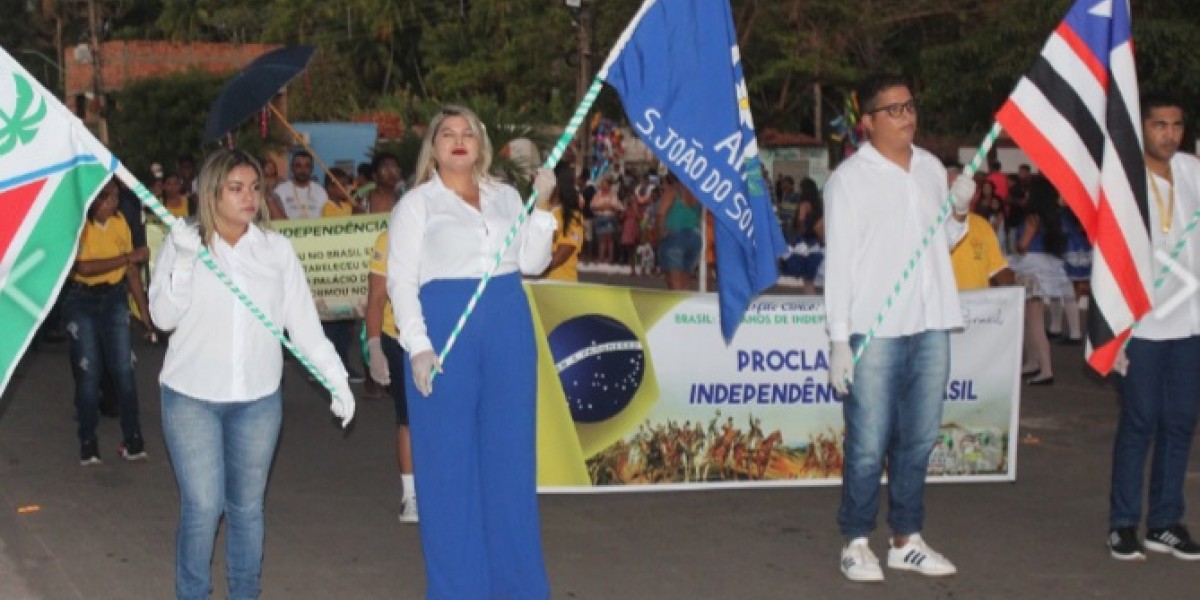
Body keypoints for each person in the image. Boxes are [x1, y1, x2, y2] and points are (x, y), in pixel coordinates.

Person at [149, 149, 355, 600]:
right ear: (210, 193)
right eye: (236, 188)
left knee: (246, 509)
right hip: (191, 397)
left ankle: (246, 593)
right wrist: (183, 264)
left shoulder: (275, 250)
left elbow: (302, 325)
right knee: (204, 506)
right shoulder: (183, 242)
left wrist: (336, 378)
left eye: (255, 188)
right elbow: (162, 318)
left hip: (258, 400)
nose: (249, 197)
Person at [387, 104, 556, 599]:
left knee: (510, 463)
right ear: (433, 146)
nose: (458, 140)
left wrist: (542, 206)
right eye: (447, 133)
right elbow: (401, 281)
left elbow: (533, 261)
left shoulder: (506, 196)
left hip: (507, 319)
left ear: (480, 144)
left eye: (468, 133)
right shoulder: (417, 204)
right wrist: (416, 346)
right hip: (444, 328)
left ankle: (519, 587)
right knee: (447, 467)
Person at [823, 74, 975, 582]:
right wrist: (839, 340)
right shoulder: (849, 180)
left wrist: (958, 210)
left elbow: (945, 239)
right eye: (893, 109)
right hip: (876, 329)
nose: (907, 116)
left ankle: (907, 538)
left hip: (932, 324)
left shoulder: (931, 168)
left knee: (919, 438)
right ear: (867, 122)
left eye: (910, 105)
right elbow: (840, 264)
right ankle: (856, 539)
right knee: (868, 441)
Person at [1106, 95, 1200, 561]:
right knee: (1140, 422)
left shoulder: (1192, 171)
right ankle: (1124, 523)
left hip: (1189, 323)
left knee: (1180, 422)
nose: (1169, 133)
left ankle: (1165, 522)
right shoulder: (1123, 178)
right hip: (1140, 325)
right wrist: (1113, 327)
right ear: (1143, 128)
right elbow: (1110, 253)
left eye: (1176, 125)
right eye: (1159, 124)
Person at [65, 180, 153, 464]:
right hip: (81, 299)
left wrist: (144, 312)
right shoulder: (79, 227)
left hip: (114, 298)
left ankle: (133, 439)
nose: (113, 203)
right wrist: (129, 256)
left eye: (116, 196)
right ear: (91, 199)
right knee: (89, 373)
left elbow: (131, 273)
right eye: (106, 197)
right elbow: (81, 267)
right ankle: (88, 442)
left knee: (124, 371)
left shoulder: (119, 223)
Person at [365, 231, 419, 524]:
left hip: (443, 338)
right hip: (398, 339)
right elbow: (375, 297)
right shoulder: (390, 239)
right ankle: (410, 495)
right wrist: (374, 347)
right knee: (409, 417)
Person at [1008, 175, 1074, 385]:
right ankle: (1033, 362)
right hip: (1047, 266)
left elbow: (1022, 246)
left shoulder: (1032, 218)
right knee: (1031, 318)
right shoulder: (1055, 217)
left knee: (1034, 320)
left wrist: (1024, 237)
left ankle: (1045, 368)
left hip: (1030, 269)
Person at [656, 172, 703, 290]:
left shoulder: (673, 191)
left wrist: (660, 233)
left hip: (675, 236)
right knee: (686, 279)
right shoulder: (697, 193)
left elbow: (661, 213)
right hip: (694, 237)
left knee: (674, 283)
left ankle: (678, 308)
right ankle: (686, 307)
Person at [543, 167, 585, 281]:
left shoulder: (572, 217)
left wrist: (537, 271)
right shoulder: (539, 208)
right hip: (534, 284)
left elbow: (564, 252)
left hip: (561, 283)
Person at [273, 150, 329, 219]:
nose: (303, 170)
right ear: (292, 167)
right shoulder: (280, 190)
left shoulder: (321, 191)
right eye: (298, 166)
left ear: (312, 168)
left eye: (307, 166)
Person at [590, 177, 622, 265]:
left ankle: (610, 258)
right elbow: (593, 206)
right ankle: (601, 257)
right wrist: (605, 206)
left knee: (609, 239)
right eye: (602, 184)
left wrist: (603, 206)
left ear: (609, 186)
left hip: (609, 217)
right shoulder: (597, 194)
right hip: (599, 218)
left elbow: (615, 206)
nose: (603, 186)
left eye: (605, 184)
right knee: (601, 239)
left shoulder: (613, 195)